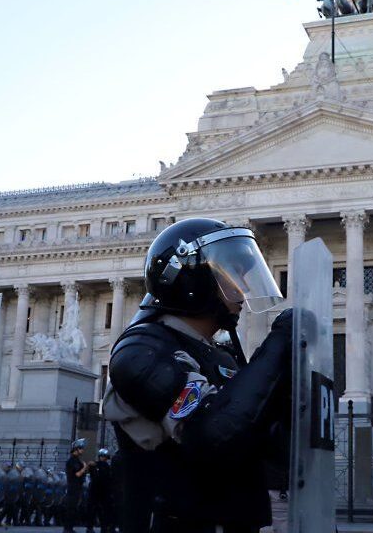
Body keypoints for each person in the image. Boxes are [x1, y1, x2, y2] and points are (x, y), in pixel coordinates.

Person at [102, 217, 293, 533]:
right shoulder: (142, 352)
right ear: (194, 279)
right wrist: (279, 344)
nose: (244, 290)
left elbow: (263, 442)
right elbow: (213, 433)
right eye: (234, 275)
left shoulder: (222, 356)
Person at [65, 438, 92, 533]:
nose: (82, 450)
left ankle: (70, 528)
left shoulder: (78, 460)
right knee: (71, 508)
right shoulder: (72, 461)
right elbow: (77, 474)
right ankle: (67, 529)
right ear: (76, 449)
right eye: (81, 448)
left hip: (78, 487)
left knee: (74, 508)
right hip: (73, 487)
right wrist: (84, 467)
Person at [86, 448, 116, 533]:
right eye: (103, 457)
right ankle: (95, 527)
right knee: (97, 510)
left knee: (100, 511)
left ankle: (101, 527)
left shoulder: (101, 466)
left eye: (105, 457)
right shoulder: (98, 465)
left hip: (100, 491)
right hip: (98, 491)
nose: (104, 458)